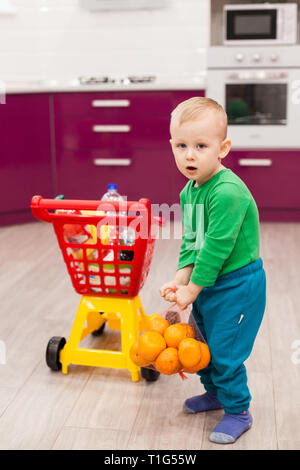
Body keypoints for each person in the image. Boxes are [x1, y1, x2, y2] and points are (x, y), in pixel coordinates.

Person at [160, 97, 266, 444]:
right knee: (200, 342)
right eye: (182, 145)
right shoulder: (190, 191)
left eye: (201, 146)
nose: (189, 155)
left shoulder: (227, 192)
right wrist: (180, 278)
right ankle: (215, 393)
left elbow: (217, 248)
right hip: (211, 283)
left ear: (223, 149)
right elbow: (193, 241)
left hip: (238, 285)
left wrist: (192, 289)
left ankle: (238, 410)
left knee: (224, 350)